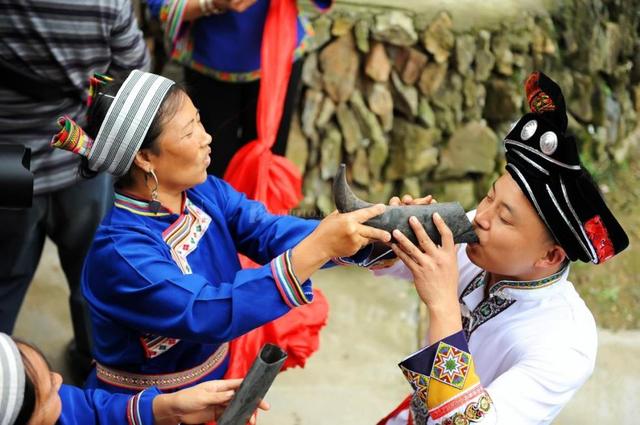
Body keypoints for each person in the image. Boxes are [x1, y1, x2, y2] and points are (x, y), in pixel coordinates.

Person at [50, 69, 391, 395]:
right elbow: (206, 311)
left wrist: (377, 232)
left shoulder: (204, 193)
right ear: (144, 158)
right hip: (152, 408)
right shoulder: (122, 254)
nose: (207, 137)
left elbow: (267, 231)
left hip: (218, 383)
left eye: (198, 120)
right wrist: (317, 248)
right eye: (188, 132)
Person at [375, 72, 629, 425]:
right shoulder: (481, 231)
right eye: (490, 196)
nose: (481, 217)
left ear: (550, 256)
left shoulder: (566, 344)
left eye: (505, 218)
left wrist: (443, 304)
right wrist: (390, 231)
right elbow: (395, 258)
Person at [0, 0, 150, 380]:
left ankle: (4, 383)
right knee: (93, 280)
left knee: (5, 281)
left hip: (10, 169)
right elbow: (135, 75)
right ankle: (94, 365)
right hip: (81, 164)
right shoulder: (107, 4)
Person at [145, 0, 331, 177]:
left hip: (278, 57)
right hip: (211, 65)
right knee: (211, 167)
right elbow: (161, 6)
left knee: (267, 165)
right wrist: (211, 3)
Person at [0, 332, 268, 425]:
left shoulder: (59, 404)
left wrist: (167, 407)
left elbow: (87, 412)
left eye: (49, 373)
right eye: (47, 397)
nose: (59, 379)